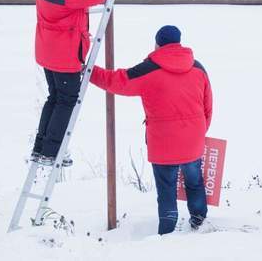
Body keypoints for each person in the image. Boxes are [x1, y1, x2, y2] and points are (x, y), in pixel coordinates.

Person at [90, 25, 213, 234]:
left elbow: (116, 81)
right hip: (193, 140)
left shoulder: (149, 69)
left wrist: (88, 72)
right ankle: (199, 221)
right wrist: (198, 132)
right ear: (179, 42)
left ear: (157, 44)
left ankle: (166, 232)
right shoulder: (198, 68)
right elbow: (208, 105)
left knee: (166, 189)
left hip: (164, 143)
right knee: (194, 182)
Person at [31, 0, 126, 166]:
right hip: (64, 55)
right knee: (66, 101)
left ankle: (41, 148)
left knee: (55, 98)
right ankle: (51, 152)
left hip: (48, 50)